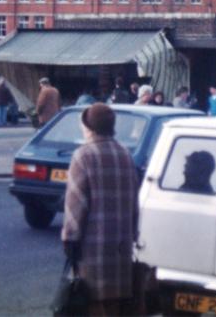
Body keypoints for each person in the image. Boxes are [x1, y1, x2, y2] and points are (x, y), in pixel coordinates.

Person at [61, 103, 139, 315]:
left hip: (93, 248)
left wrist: (70, 237)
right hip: (121, 247)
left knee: (94, 306)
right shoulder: (125, 154)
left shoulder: (83, 155)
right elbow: (134, 201)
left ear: (89, 127)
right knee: (115, 306)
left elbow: (76, 203)